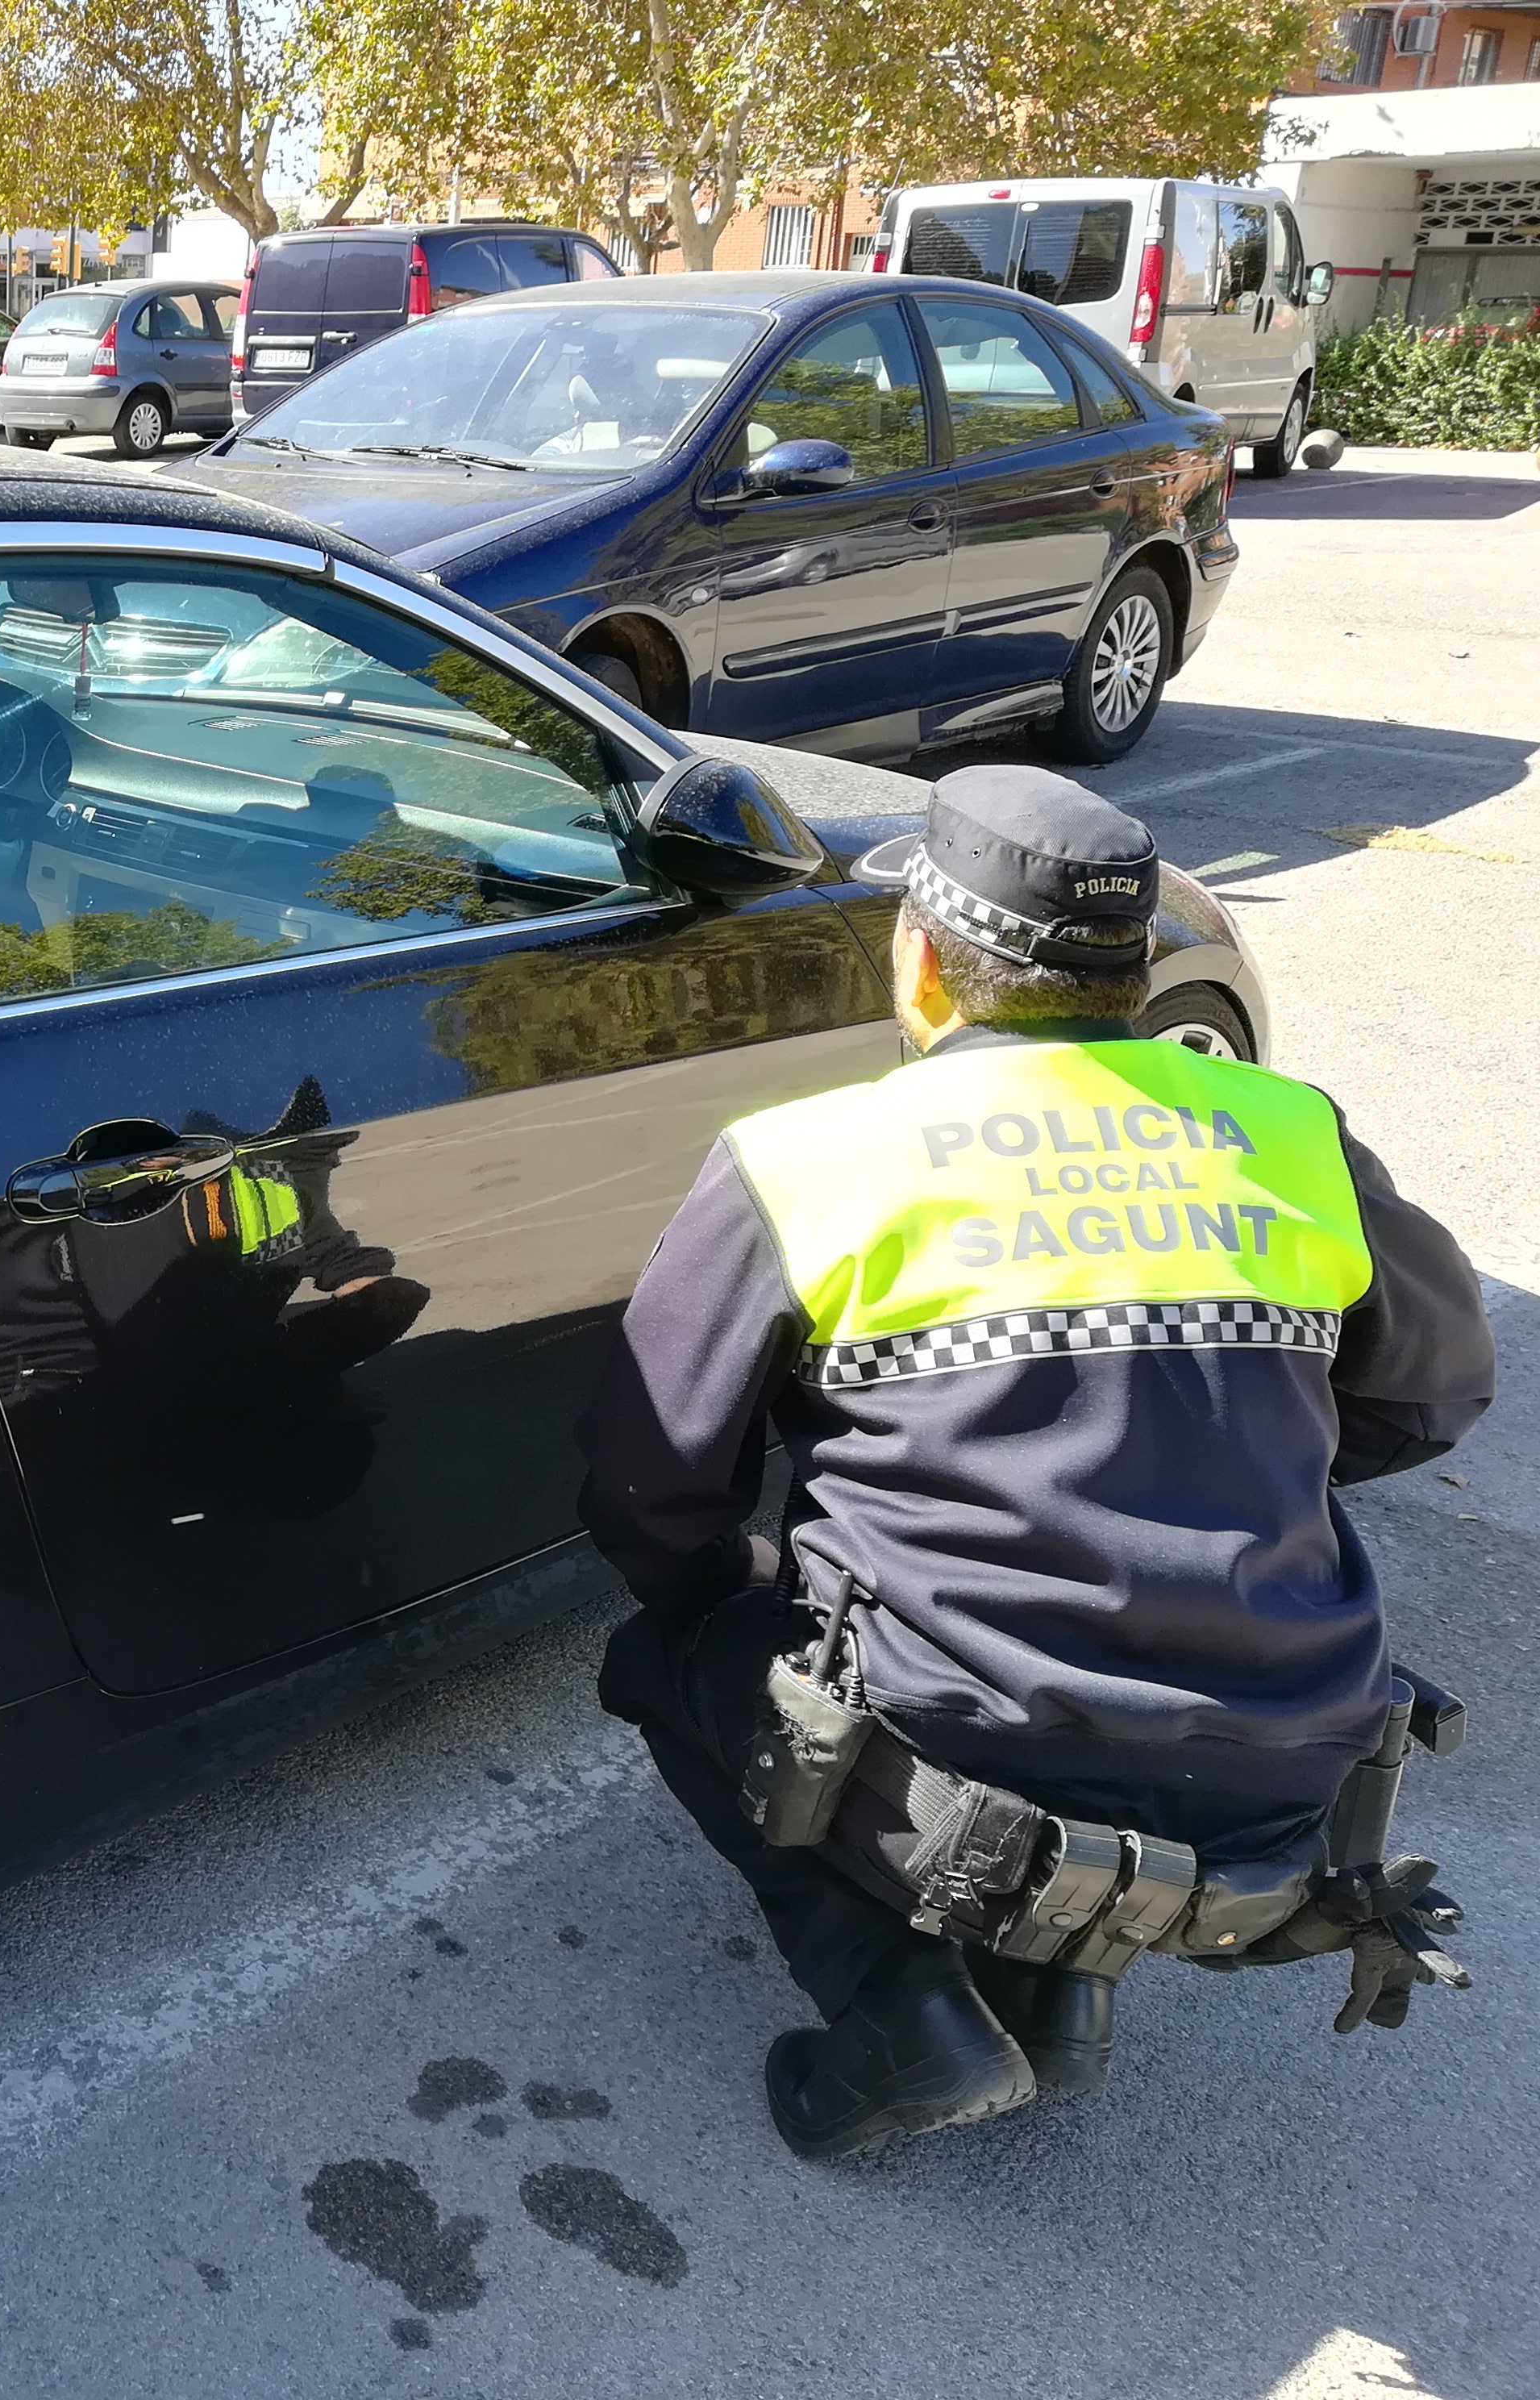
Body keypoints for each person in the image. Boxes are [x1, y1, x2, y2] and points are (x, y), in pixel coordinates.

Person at [577, 763, 1495, 2159]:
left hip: (968, 1741)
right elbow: (1432, 1399)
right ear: (1131, 974)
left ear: (925, 964)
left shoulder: (817, 1160)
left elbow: (652, 1481)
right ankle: (1054, 1999)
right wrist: (1241, 1469)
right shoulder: (1292, 1131)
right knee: (1084, 1721)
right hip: (1287, 1754)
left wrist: (746, 1580)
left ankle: (900, 2012)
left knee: (669, 1656)